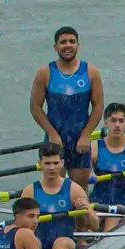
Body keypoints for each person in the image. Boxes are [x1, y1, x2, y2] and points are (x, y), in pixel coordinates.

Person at [28, 26, 104, 188]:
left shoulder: (91, 72)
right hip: (55, 139)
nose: (67, 45)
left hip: (80, 139)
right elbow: (35, 107)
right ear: (55, 47)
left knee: (80, 188)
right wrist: (52, 134)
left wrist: (86, 135)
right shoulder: (45, 73)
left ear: (78, 45)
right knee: (54, 186)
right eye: (63, 42)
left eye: (72, 41)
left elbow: (98, 106)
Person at [20, 141, 88, 249]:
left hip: (66, 241)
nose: (52, 168)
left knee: (60, 243)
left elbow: (95, 225)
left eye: (56, 163)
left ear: (62, 163)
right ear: (39, 164)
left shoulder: (74, 189)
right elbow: (19, 225)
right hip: (39, 242)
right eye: (47, 163)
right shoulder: (30, 191)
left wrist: (87, 212)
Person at [87, 102, 125, 230]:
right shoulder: (93, 148)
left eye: (121, 121)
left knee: (114, 215)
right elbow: (82, 179)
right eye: (113, 120)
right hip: (98, 202)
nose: (117, 125)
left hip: (124, 204)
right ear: (105, 122)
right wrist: (89, 175)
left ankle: (104, 237)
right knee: (84, 218)